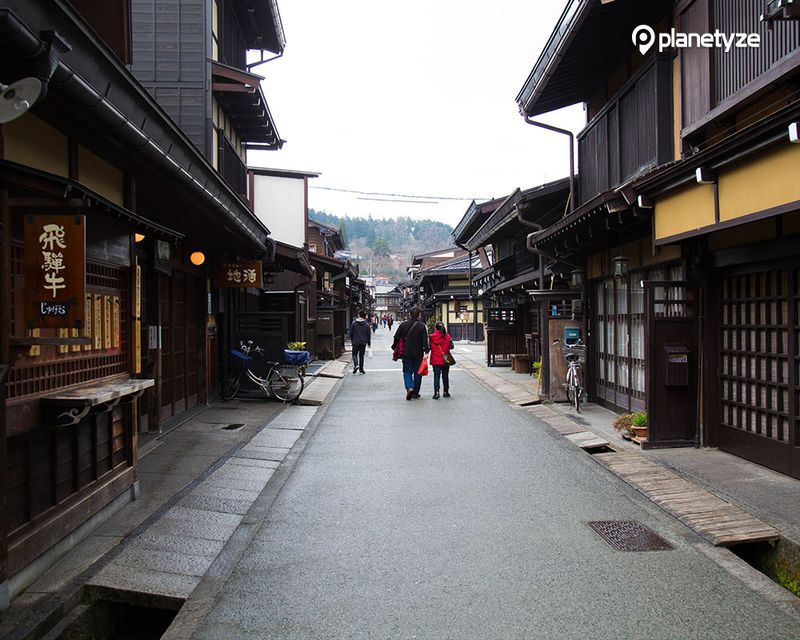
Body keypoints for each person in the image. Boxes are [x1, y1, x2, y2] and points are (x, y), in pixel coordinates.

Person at [392, 307, 429, 400]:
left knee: (407, 371)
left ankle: (409, 387)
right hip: (419, 353)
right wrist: (427, 351)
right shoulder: (422, 326)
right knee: (418, 372)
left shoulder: (403, 325)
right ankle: (416, 392)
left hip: (406, 352)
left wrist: (394, 346)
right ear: (419, 315)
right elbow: (425, 340)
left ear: (409, 314)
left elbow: (396, 337)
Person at [429, 321, 453, 399]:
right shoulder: (447, 336)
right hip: (445, 360)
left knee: (436, 376)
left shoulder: (432, 337)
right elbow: (451, 346)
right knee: (445, 376)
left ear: (435, 328)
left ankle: (436, 392)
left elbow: (429, 347)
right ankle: (446, 391)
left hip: (435, 359)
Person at [349, 310, 371, 375]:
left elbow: (351, 333)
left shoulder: (354, 323)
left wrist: (352, 340)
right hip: (363, 342)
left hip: (355, 341)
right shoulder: (366, 324)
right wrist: (369, 342)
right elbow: (368, 334)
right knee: (361, 356)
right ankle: (361, 370)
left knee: (354, 354)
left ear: (359, 315)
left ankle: (356, 365)